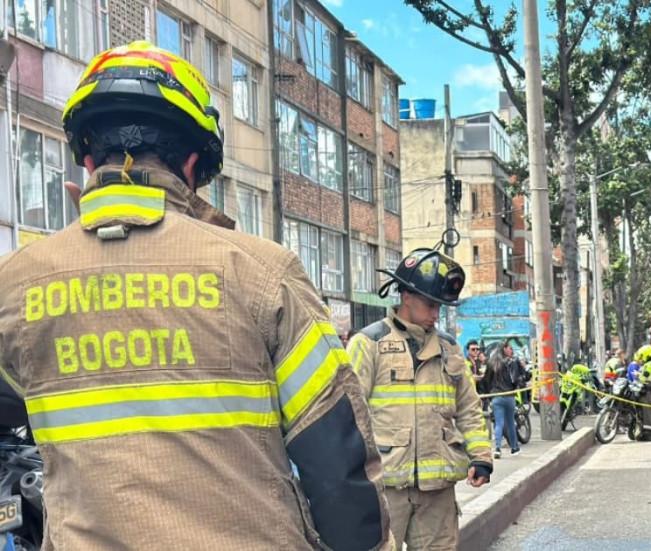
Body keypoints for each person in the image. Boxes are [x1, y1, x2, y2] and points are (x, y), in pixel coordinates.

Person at [0, 42, 389, 550]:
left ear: (88, 159)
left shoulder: (16, 285)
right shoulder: (262, 273)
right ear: (192, 164)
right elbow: (336, 463)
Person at [346, 248, 492, 550]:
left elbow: (468, 409)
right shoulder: (369, 344)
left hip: (437, 493)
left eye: (440, 307)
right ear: (406, 296)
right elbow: (350, 414)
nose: (436, 314)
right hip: (386, 488)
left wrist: (481, 456)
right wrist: (349, 478)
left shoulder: (450, 348)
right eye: (430, 305)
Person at [482, 339, 527, 458]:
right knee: (511, 423)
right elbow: (519, 378)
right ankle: (514, 448)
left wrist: (489, 394)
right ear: (504, 349)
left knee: (499, 423)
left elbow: (486, 380)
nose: (511, 350)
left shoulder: (491, 363)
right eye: (510, 348)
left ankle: (497, 448)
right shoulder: (512, 362)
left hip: (496, 397)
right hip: (509, 396)